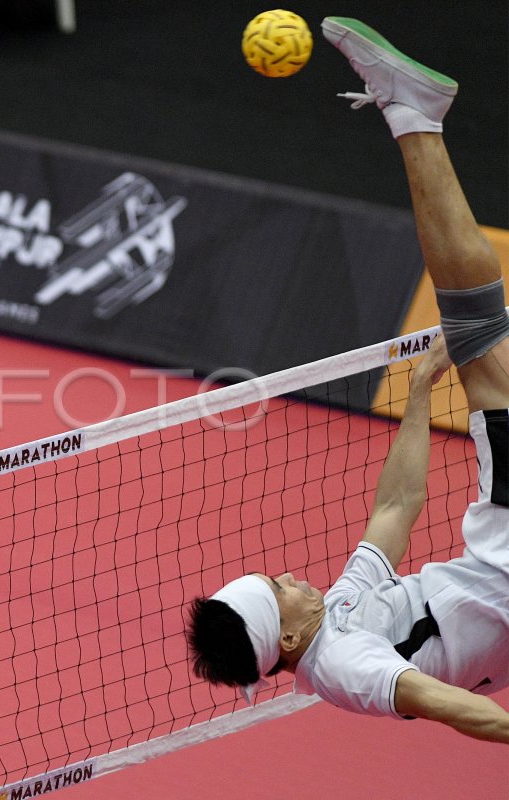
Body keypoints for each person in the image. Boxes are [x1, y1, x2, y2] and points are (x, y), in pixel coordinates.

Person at [185, 17, 509, 744]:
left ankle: (413, 116)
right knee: (482, 333)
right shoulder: (347, 665)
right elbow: (448, 707)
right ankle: (413, 117)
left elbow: (395, 507)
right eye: (280, 589)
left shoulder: (339, 611)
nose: (291, 578)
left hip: (497, 543)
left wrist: (421, 394)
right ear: (288, 637)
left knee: (478, 331)